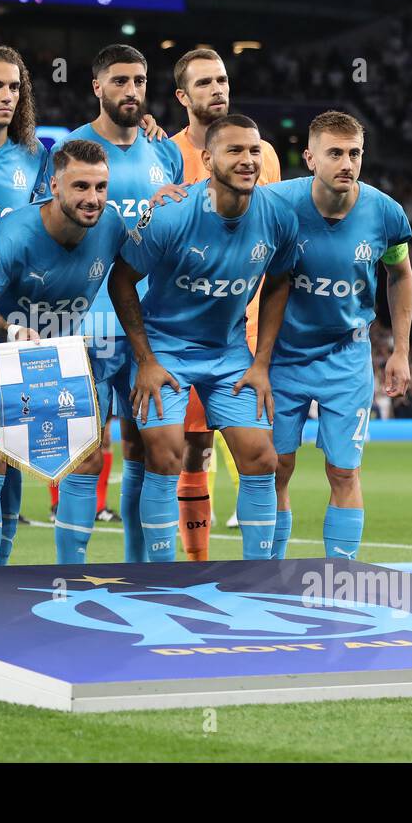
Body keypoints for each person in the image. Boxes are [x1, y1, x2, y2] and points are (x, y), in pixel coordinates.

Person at [109, 115, 299, 561]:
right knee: (166, 453)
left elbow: (279, 283)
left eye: (254, 150)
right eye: (234, 151)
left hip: (230, 353)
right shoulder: (172, 214)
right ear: (208, 159)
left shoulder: (278, 217)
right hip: (165, 348)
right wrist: (146, 359)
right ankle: (162, 573)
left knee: (261, 459)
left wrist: (261, 363)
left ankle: (260, 574)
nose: (248, 160)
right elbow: (121, 279)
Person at [45, 45, 184, 560]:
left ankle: (145, 574)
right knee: (83, 457)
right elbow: (46, 230)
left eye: (140, 81)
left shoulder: (163, 151)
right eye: (120, 81)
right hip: (84, 325)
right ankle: (69, 579)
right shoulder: (69, 150)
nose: (132, 91)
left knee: (151, 452)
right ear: (97, 87)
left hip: (151, 329)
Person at [0, 139, 125, 563]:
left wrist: (166, 202)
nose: (93, 199)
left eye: (101, 187)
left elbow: (150, 253)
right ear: (54, 186)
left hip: (62, 357)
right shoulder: (14, 235)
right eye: (81, 187)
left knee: (87, 459)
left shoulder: (111, 226)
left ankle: (69, 575)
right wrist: (14, 332)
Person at [267, 111, 412, 561]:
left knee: (344, 472)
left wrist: (400, 351)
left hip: (347, 355)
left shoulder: (386, 213)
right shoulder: (275, 203)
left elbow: (401, 275)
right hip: (281, 355)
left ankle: (340, 574)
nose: (347, 163)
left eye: (354, 153)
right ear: (310, 158)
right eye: (335, 153)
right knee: (275, 468)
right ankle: (268, 571)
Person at [163, 47, 283, 559]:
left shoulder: (265, 154)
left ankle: (260, 570)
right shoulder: (162, 153)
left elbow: (275, 233)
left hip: (246, 327)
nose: (218, 89)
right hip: (181, 327)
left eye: (223, 80)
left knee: (262, 451)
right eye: (206, 82)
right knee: (191, 447)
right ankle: (195, 564)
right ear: (182, 95)